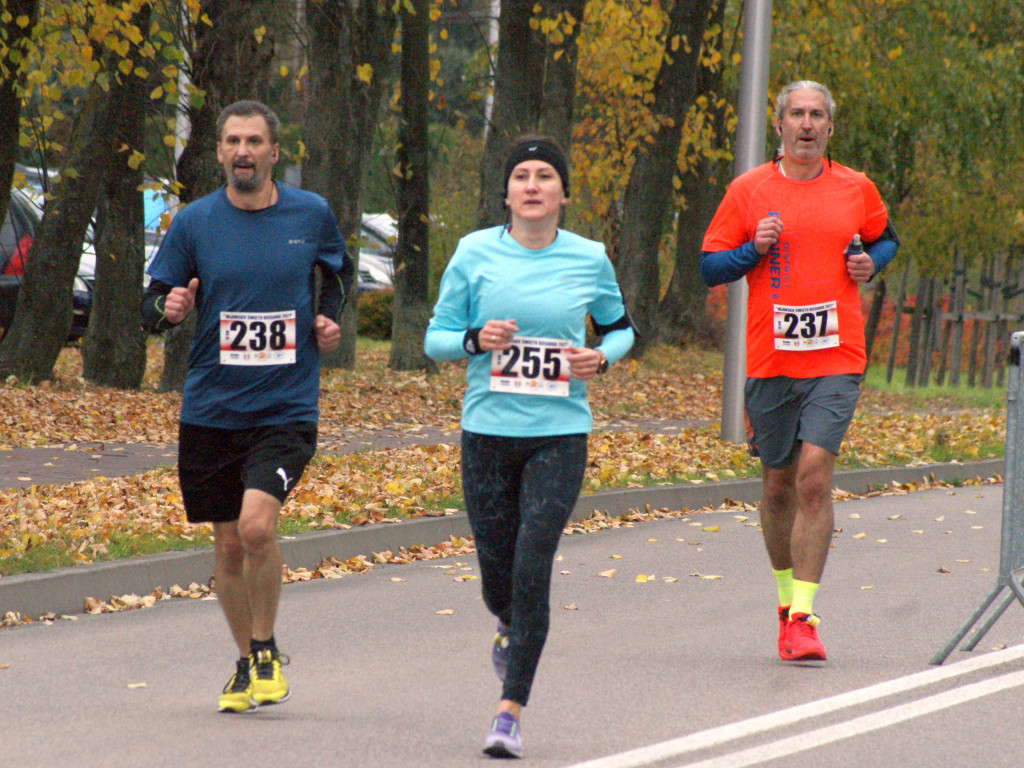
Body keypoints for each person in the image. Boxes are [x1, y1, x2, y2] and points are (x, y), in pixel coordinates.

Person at [424, 135, 634, 758]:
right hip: (487, 432)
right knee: (499, 578)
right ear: (507, 192)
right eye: (523, 176)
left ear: (563, 193)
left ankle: (509, 711)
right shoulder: (473, 253)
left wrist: (601, 356)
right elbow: (435, 338)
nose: (534, 185)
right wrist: (473, 339)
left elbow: (621, 329)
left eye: (546, 175)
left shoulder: (589, 257)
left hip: (559, 436)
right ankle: (508, 623)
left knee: (532, 563)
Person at [140, 100, 353, 712]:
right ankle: (244, 663)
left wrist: (328, 318)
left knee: (258, 527)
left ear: (273, 151)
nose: (243, 152)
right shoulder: (195, 222)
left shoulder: (309, 214)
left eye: (254, 141)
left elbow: (335, 275)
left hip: (285, 403)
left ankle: (265, 651)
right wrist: (167, 311)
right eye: (232, 141)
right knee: (228, 545)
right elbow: (154, 301)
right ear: (219, 153)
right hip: (210, 406)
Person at [699, 81, 899, 662]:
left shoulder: (856, 188)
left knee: (815, 476)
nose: (807, 124)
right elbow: (711, 267)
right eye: (796, 115)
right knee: (778, 485)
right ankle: (786, 604)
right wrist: (752, 252)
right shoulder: (748, 190)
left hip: (837, 357)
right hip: (771, 360)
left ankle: (806, 618)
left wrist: (870, 262)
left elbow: (886, 240)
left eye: (817, 115)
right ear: (779, 125)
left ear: (830, 128)